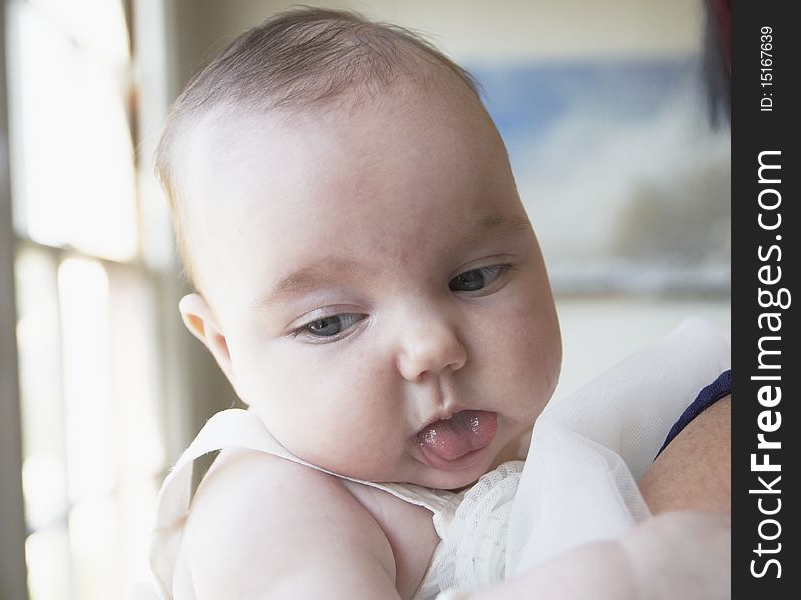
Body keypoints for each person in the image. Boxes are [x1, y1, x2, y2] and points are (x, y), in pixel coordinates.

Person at [149, 8, 730, 599]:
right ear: (227, 350)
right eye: (330, 323)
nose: (433, 348)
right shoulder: (268, 502)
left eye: (475, 278)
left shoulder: (545, 453)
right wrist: (628, 577)